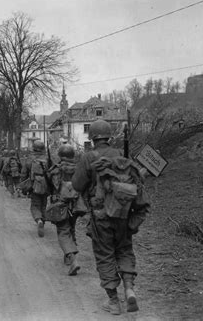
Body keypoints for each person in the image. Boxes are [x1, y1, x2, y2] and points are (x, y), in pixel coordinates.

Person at [72, 119, 150, 315]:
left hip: (101, 217)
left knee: (104, 254)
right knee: (124, 250)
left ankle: (114, 301)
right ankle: (129, 288)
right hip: (123, 215)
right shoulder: (122, 158)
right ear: (109, 137)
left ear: (93, 138)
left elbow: (77, 185)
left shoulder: (88, 157)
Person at [47, 144, 81, 276]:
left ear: (60, 156)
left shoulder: (56, 169)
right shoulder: (79, 168)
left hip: (60, 204)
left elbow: (51, 186)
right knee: (71, 228)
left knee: (63, 231)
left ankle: (73, 259)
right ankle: (69, 256)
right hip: (77, 204)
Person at [20, 140, 50, 237]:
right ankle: (43, 221)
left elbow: (24, 173)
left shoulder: (30, 159)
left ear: (33, 148)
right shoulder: (47, 158)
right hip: (46, 185)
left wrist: (23, 185)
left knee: (35, 205)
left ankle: (39, 220)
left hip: (34, 185)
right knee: (44, 204)